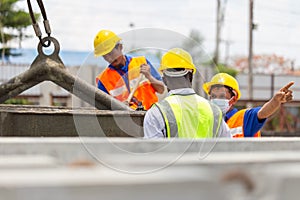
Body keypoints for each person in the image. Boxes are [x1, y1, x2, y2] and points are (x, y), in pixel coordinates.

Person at [143, 48, 231, 138]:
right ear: (191, 76)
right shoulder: (214, 111)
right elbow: (227, 147)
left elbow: (153, 149)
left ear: (164, 80)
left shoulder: (156, 113)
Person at [202, 73, 294, 137]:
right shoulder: (208, 121)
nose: (216, 100)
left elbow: (263, 112)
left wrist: (275, 101)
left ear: (233, 99)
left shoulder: (244, 118)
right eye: (213, 96)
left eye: (222, 96)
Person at [93, 30, 164, 110]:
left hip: (151, 117)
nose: (109, 59)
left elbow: (161, 89)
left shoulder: (142, 63)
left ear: (120, 47)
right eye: (105, 56)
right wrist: (118, 108)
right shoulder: (103, 80)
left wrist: (149, 76)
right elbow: (104, 110)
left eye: (110, 53)